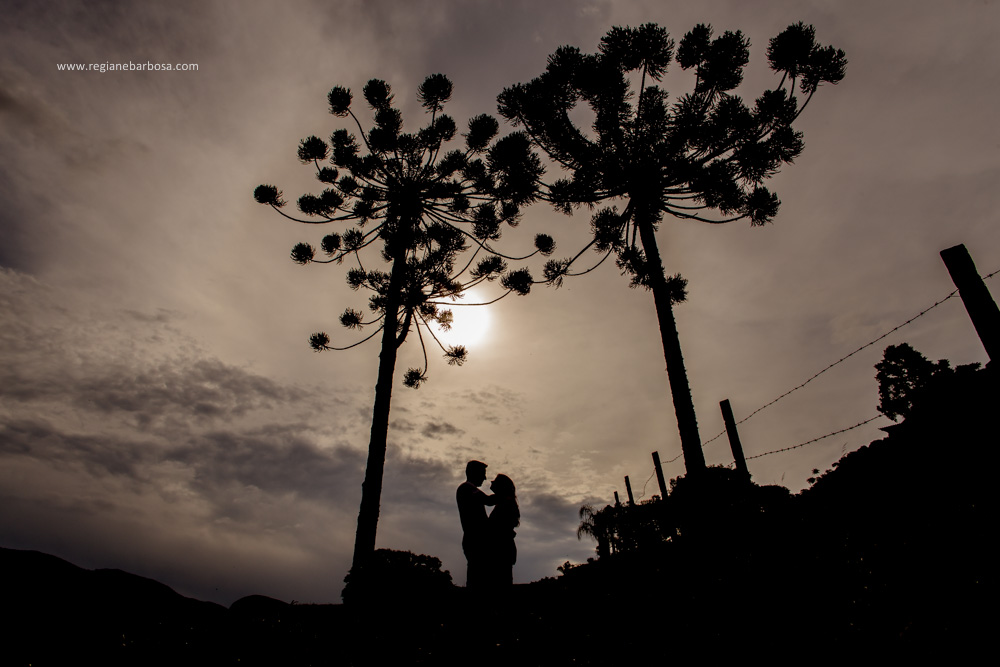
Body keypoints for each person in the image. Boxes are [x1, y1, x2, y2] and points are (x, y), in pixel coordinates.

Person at [456, 460, 496, 589]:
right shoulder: (466, 488)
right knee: (477, 580)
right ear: (474, 473)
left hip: (475, 540)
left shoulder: (469, 489)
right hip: (474, 540)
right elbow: (489, 501)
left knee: (479, 578)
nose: (485, 478)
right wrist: (505, 493)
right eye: (482, 474)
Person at [486, 474, 519, 588]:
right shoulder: (504, 502)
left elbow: (499, 527)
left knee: (501, 584)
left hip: (501, 548)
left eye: (495, 481)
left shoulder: (505, 503)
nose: (491, 482)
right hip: (503, 547)